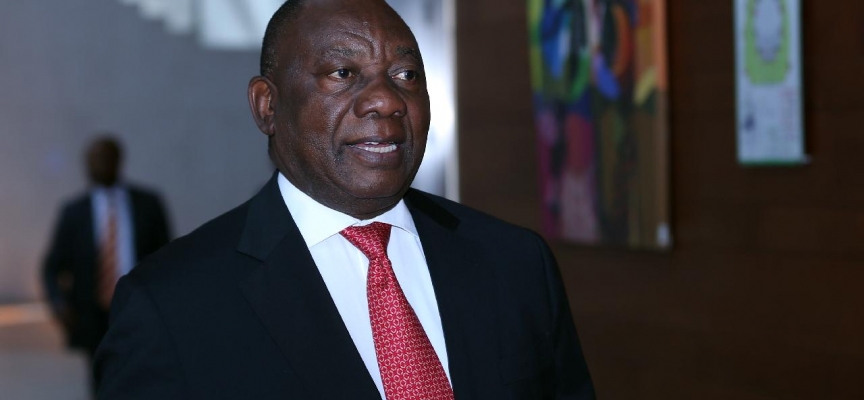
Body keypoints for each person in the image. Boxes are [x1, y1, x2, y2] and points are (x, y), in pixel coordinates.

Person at [94, 0, 595, 398]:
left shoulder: (516, 263)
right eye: (342, 72)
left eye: (406, 75)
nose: (386, 100)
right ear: (267, 106)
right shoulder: (171, 306)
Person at [42, 136, 171, 393]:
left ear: (118, 160)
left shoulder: (147, 204)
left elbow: (167, 256)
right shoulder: (74, 211)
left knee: (142, 375)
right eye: (93, 159)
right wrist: (59, 304)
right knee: (101, 379)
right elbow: (52, 265)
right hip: (92, 313)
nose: (99, 164)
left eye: (105, 158)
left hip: (138, 305)